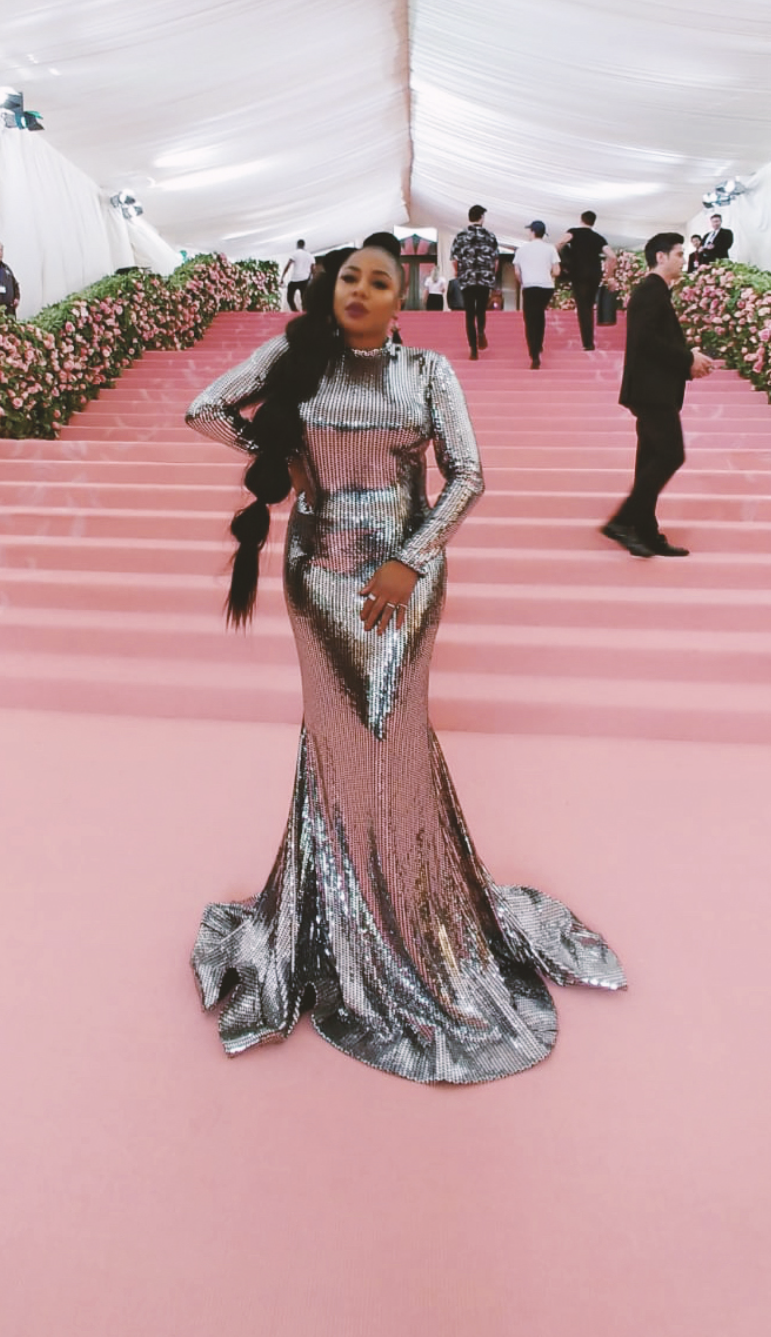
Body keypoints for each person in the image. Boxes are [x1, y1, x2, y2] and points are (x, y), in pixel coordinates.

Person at [185, 233, 625, 1087]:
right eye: (348, 276)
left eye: (378, 281)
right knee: (338, 738)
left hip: (405, 575)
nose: (359, 289)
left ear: (403, 296)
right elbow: (205, 408)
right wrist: (281, 459)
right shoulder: (297, 356)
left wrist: (410, 558)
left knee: (392, 731)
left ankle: (416, 917)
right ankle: (333, 920)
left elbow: (467, 476)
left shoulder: (428, 372)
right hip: (316, 572)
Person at [601, 232, 714, 560]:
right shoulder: (651, 291)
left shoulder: (655, 292)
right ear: (661, 257)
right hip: (651, 392)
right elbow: (646, 341)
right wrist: (688, 358)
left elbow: (653, 341)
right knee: (670, 455)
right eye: (679, 253)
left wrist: (688, 359)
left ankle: (646, 533)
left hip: (652, 389)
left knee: (650, 461)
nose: (683, 259)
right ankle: (622, 521)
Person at [557, 211, 617, 351]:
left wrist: (558, 260)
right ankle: (588, 341)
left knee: (583, 307)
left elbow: (560, 242)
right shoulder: (598, 238)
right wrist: (609, 276)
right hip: (594, 274)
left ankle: (588, 343)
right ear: (593, 222)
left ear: (581, 219)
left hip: (578, 273)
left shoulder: (574, 232)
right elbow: (612, 256)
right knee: (588, 305)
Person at [450, 205, 500, 359]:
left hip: (467, 278)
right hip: (484, 279)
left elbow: (454, 259)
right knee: (481, 310)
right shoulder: (490, 236)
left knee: (469, 313)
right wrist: (491, 274)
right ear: (482, 217)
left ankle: (473, 349)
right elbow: (496, 260)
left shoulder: (460, 236)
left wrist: (459, 273)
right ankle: (481, 331)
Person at [512, 221, 560, 368]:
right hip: (546, 287)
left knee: (530, 319)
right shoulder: (550, 249)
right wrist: (548, 276)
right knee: (539, 315)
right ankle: (539, 344)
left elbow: (517, 272)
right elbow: (557, 270)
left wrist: (523, 281)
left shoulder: (521, 250)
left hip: (530, 286)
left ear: (532, 232)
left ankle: (534, 353)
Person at [280, 239, 314, 312]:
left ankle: (295, 311)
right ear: (304, 245)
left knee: (289, 298)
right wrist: (311, 278)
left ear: (297, 245)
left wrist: (282, 277)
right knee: (304, 299)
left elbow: (288, 265)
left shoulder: (295, 254)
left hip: (295, 279)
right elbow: (313, 268)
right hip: (305, 279)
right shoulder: (310, 255)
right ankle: (305, 313)